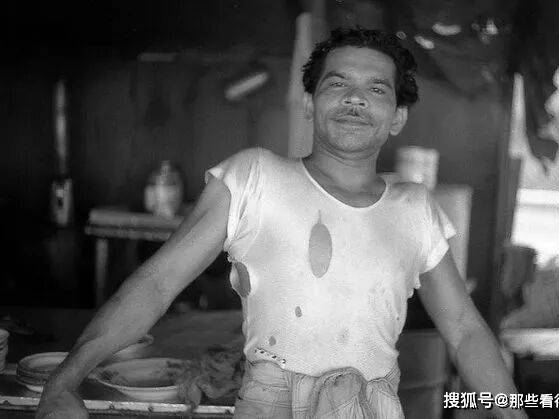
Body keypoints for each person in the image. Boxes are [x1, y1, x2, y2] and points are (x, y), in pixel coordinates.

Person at [37, 27, 526, 419]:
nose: (355, 99)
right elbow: (157, 283)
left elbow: (464, 330)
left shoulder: (415, 208)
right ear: (310, 103)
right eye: (337, 84)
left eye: (375, 89)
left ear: (397, 116)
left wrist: (511, 412)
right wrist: (64, 381)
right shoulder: (254, 178)